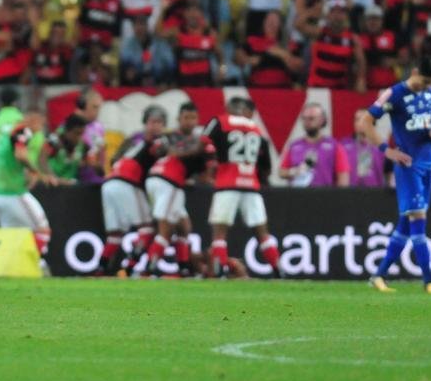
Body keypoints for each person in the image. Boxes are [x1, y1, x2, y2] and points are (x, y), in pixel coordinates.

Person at [364, 56, 431, 293]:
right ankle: (429, 280)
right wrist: (386, 151)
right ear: (415, 71)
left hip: (428, 164)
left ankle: (379, 276)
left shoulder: (430, 94)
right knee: (418, 220)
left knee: (406, 225)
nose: (427, 86)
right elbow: (367, 122)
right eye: (424, 81)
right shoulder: (394, 93)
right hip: (407, 165)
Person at [203, 97, 280, 278]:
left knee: (219, 234)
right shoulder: (256, 128)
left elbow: (204, 143)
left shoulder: (220, 121)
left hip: (227, 183)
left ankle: (219, 272)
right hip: (251, 185)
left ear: (230, 108)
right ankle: (280, 270)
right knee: (263, 233)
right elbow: (266, 166)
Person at [141, 103, 209, 277]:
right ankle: (149, 267)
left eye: (193, 118)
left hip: (159, 179)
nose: (190, 122)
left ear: (198, 119)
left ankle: (184, 266)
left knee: (184, 226)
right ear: (179, 118)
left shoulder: (198, 141)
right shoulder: (170, 136)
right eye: (186, 117)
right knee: (166, 229)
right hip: (168, 181)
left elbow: (202, 168)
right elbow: (159, 150)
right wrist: (195, 150)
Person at [99, 105, 167, 276]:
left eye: (160, 122)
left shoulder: (132, 139)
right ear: (145, 123)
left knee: (115, 233)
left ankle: (101, 268)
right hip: (127, 182)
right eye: (153, 122)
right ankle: (128, 268)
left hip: (109, 183)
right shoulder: (159, 143)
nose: (156, 126)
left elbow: (114, 160)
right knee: (147, 229)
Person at [0, 111, 55, 275]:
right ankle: (38, 264)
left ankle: (7, 270)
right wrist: (36, 171)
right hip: (12, 192)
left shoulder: (6, 131)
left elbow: (8, 158)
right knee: (42, 228)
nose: (40, 129)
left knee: (10, 235)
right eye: (41, 124)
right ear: (33, 119)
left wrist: (26, 173)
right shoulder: (23, 130)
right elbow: (20, 155)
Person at [279, 103, 350, 187]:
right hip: (298, 196)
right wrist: (294, 171)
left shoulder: (334, 146)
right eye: (304, 118)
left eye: (311, 118)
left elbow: (343, 177)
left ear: (322, 120)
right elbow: (281, 172)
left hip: (324, 196)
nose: (307, 122)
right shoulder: (295, 146)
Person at [340, 108, 387, 188]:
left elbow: (389, 172)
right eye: (357, 120)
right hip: (350, 193)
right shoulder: (344, 145)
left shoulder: (382, 145)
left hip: (376, 193)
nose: (360, 123)